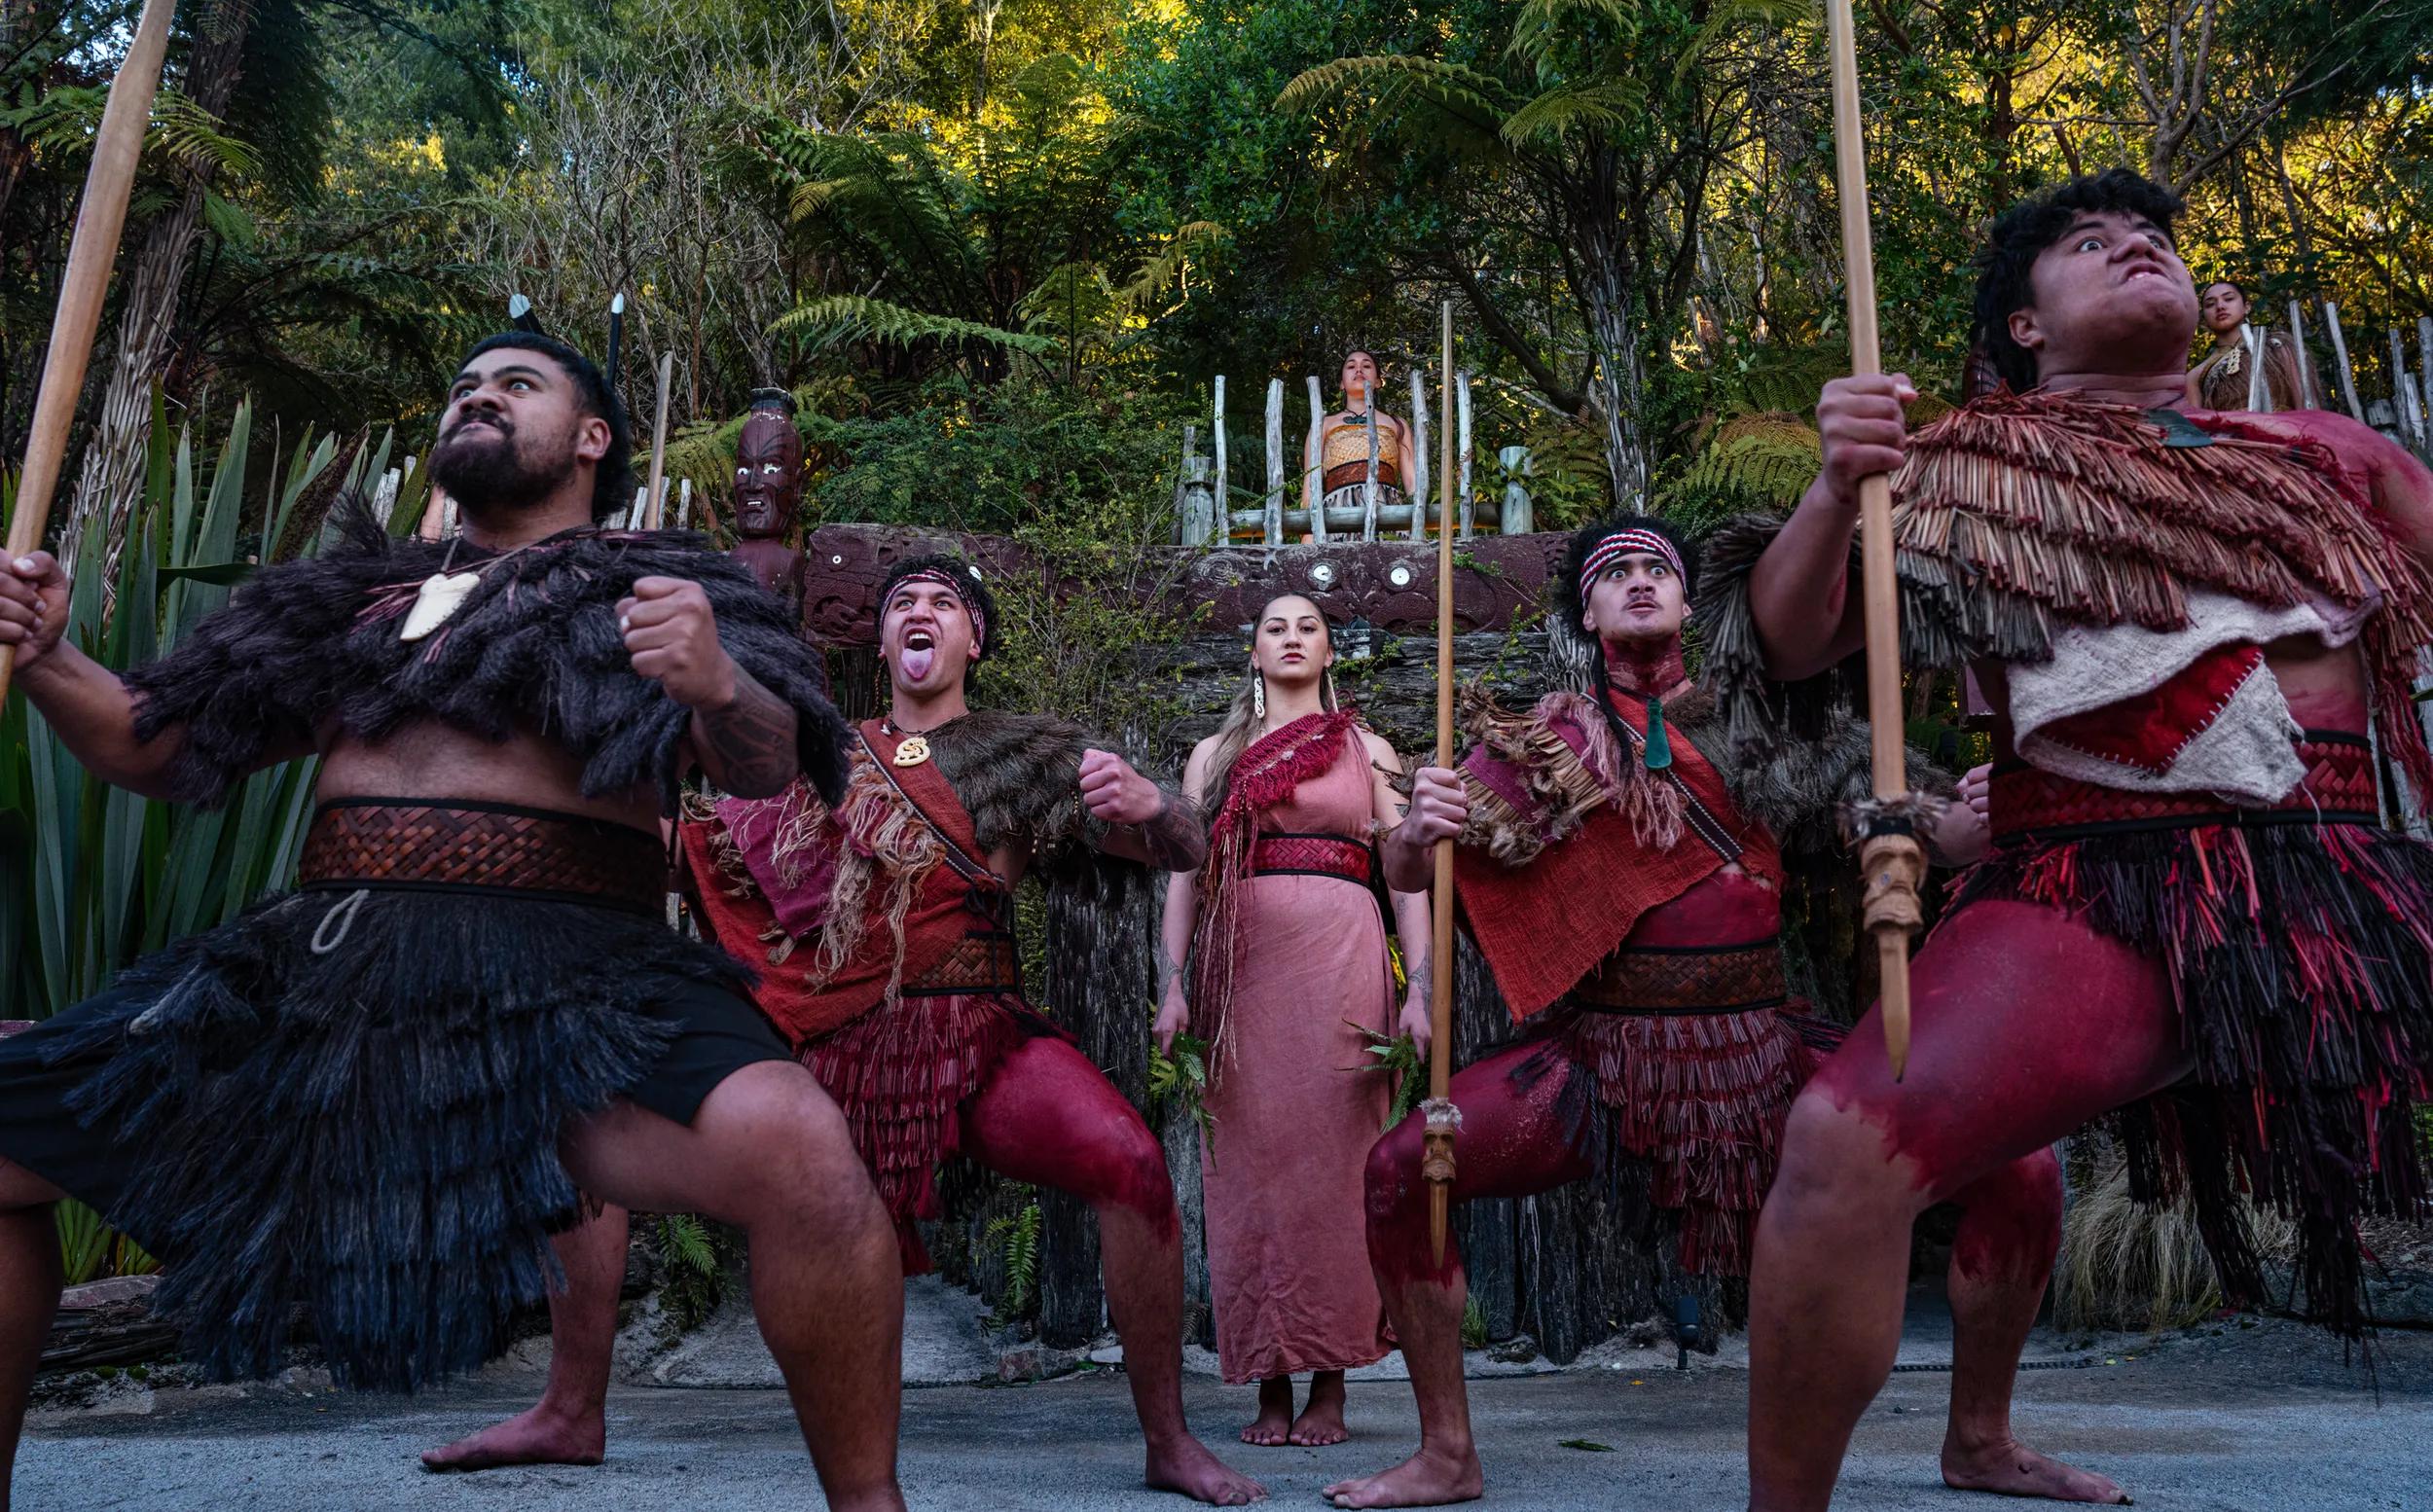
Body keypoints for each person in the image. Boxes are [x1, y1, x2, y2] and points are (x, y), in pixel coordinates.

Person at [0, 333, 908, 1510]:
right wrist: (49, 651)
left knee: (801, 1150)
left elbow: (763, 761)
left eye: (516, 384)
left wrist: (716, 681)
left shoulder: (659, 586)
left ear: (592, 438)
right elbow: (153, 743)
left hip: (574, 979)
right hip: (317, 974)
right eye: (465, 385)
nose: (478, 394)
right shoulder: (353, 602)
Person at [1716, 167, 2433, 1510]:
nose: (2136, 251)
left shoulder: (2325, 452)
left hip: (2347, 876)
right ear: (2027, 332)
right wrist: (1834, 484)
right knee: (1840, 1145)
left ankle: (1978, 1438)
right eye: (2093, 245)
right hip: (2098, 881)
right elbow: (1793, 640)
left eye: (2152, 238)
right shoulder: (1959, 466)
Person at [428, 553, 1268, 1506]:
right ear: (879, 640)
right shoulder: (813, 749)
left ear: (973, 638)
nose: (920, 610)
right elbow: (704, 859)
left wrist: (1155, 805)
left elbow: (1183, 846)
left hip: (976, 1031)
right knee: (588, 1135)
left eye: (942, 602)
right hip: (819, 1045)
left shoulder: (1023, 753)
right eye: (900, 600)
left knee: (1128, 1161)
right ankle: (570, 1409)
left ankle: (1168, 1438)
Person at [1322, 515, 2008, 1511]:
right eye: (1616, 573)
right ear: (1586, 612)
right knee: (1399, 1169)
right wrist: (1411, 830)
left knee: (2015, 1165)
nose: (1640, 582)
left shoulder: (1771, 722)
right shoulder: (1543, 742)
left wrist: (1959, 827)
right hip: (1603, 1056)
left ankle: (1981, 1438)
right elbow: (1414, 864)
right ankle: (1445, 1451)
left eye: (1659, 569)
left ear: (1690, 602)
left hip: (1764, 1044)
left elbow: (1891, 816)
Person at [1154, 594, 1433, 1449]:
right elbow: (1181, 877)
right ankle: (1268, 1381)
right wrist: (1171, 985)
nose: (1290, 636)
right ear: (1253, 652)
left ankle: (1331, 1382)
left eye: (1307, 626)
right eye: (1275, 626)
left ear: (1328, 652)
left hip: (1345, 974)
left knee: (1336, 1170)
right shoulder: (1215, 755)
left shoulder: (1368, 750)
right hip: (1243, 980)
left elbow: (1409, 877)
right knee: (1251, 1173)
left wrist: (1419, 987)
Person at [1305, 351, 1419, 520]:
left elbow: (1413, 485)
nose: (1359, 370)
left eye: (1366, 366)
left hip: (1387, 513)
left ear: (1379, 382)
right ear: (1341, 384)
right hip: (1335, 517)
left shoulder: (1396, 424)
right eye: (1351, 366)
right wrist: (1308, 533)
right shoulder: (1324, 425)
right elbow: (1309, 485)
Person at [730, 386, 809, 610]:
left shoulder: (791, 563)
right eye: (744, 470)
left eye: (771, 468)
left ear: (797, 484)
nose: (754, 484)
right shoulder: (722, 562)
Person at [2186, 278, 2308, 411]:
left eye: (2228, 299)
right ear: (2204, 317)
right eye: (2210, 304)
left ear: (2246, 307)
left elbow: (2307, 406)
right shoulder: (2195, 376)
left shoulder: (2277, 346)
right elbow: (2193, 427)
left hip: (2286, 428)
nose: (2220, 306)